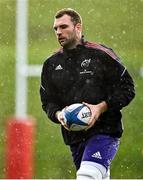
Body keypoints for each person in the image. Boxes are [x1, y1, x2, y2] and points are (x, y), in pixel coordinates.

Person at [40, 8, 135, 179]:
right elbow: (48, 102)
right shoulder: (51, 64)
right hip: (74, 138)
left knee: (87, 176)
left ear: (78, 27)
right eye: (55, 29)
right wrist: (59, 114)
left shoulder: (101, 54)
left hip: (105, 131)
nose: (58, 32)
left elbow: (127, 88)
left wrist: (100, 108)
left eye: (63, 27)